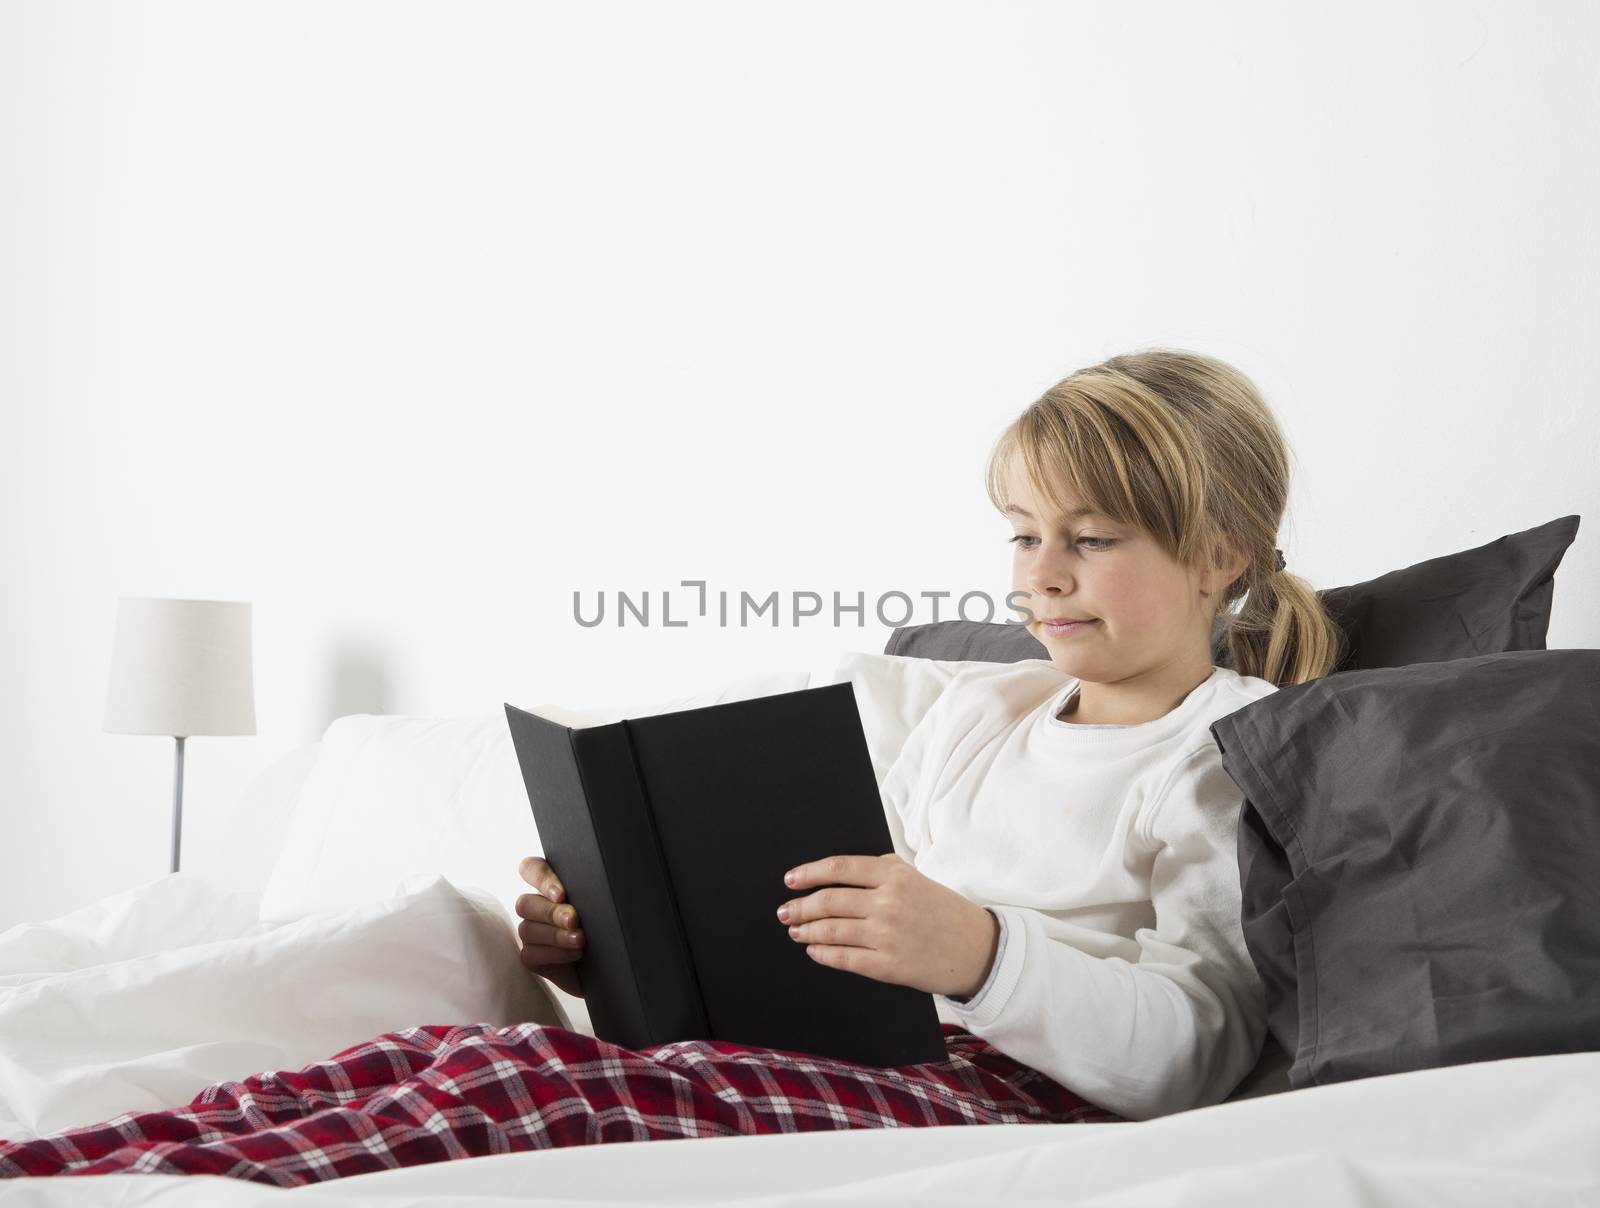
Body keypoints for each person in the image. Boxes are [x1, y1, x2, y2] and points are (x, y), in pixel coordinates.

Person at [517, 347, 1343, 1123]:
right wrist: (616, 950)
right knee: (474, 1064)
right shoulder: (981, 712)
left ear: (1216, 558)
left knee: (526, 1101)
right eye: (1024, 535)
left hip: (1004, 1089)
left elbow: (1198, 1050)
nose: (1042, 573)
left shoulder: (1225, 750)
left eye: (1091, 538)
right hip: (865, 1052)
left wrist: (983, 956)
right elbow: (843, 927)